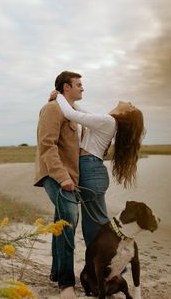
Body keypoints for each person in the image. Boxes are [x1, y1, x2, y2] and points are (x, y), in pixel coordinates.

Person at [49, 90, 145, 247]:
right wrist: (65, 98)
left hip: (91, 170)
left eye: (131, 106)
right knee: (93, 225)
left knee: (96, 224)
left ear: (126, 112)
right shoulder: (108, 121)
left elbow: (71, 114)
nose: (129, 102)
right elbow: (79, 112)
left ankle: (113, 265)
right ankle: (106, 265)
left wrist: (58, 95)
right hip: (92, 169)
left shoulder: (107, 121)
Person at [34, 71, 84, 299]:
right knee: (67, 224)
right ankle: (66, 284)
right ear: (66, 87)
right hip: (56, 176)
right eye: (78, 85)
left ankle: (56, 274)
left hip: (68, 177)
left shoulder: (71, 112)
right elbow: (47, 145)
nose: (82, 89)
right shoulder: (52, 109)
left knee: (61, 222)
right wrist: (62, 177)